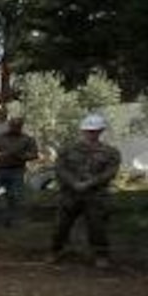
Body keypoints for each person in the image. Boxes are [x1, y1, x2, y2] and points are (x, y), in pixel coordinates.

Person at [51, 114, 122, 267]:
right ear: (82, 130)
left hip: (96, 195)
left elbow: (110, 172)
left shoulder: (110, 152)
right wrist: (73, 182)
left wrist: (89, 183)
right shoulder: (68, 149)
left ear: (101, 131)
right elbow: (60, 168)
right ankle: (55, 251)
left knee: (97, 227)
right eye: (88, 130)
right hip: (70, 194)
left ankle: (100, 255)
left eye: (95, 131)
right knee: (61, 225)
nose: (91, 133)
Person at [0, 116, 40, 228]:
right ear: (9, 125)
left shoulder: (27, 139)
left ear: (21, 127)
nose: (15, 128)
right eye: (13, 126)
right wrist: (1, 155)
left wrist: (21, 156)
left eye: (17, 126)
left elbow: (34, 154)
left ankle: (11, 220)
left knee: (14, 196)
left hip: (16, 170)